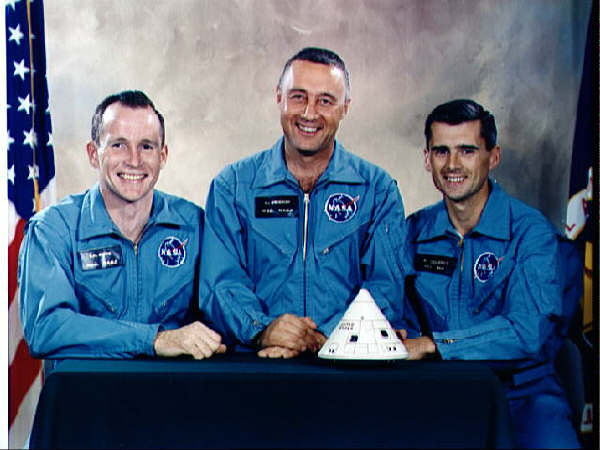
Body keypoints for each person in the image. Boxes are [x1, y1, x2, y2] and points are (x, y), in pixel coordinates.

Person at [199, 47, 410, 358]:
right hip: (258, 363)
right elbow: (220, 283)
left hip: (347, 365)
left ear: (345, 107)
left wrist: (326, 339)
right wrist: (264, 330)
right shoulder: (232, 187)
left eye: (325, 101)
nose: (310, 113)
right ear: (279, 98)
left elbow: (386, 288)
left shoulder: (377, 190)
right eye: (298, 97)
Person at [401, 99, 580, 448]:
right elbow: (396, 316)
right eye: (441, 151)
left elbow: (527, 331)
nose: (452, 165)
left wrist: (436, 345)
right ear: (427, 159)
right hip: (441, 393)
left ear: (493, 157)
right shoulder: (414, 233)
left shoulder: (530, 234)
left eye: (467, 151)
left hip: (522, 396)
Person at [19, 90, 226, 365]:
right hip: (90, 390)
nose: (134, 160)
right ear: (94, 154)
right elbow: (46, 328)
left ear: (163, 156)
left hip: (175, 389)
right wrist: (154, 339)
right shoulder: (53, 230)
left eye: (146, 146)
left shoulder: (194, 226)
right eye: (118, 145)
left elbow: (226, 308)